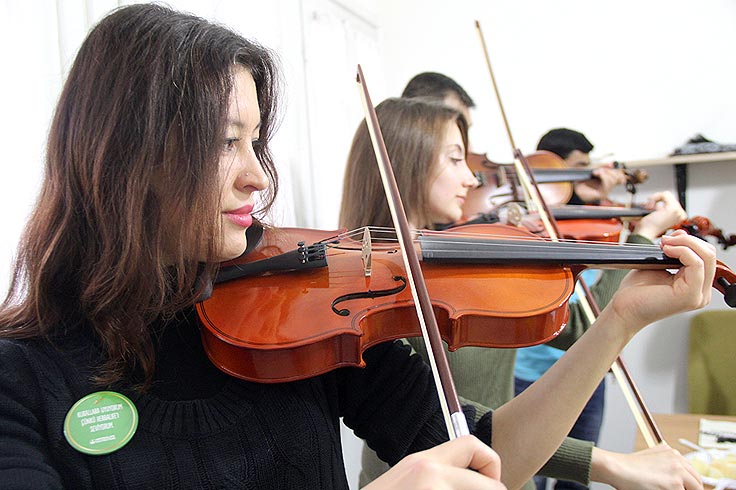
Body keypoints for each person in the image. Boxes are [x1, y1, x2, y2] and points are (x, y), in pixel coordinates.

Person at [0, 6, 710, 490]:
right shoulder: (21, 380)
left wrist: (620, 322)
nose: (258, 175)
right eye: (225, 143)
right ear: (124, 156)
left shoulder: (288, 313)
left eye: (256, 141)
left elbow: (497, 456)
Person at [344, 96, 705, 490]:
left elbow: (579, 329)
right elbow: (446, 425)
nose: (472, 178)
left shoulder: (466, 256)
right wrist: (604, 463)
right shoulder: (374, 290)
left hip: (508, 470)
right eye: (454, 159)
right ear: (406, 164)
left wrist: (640, 241)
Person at [514, 128, 688, 490]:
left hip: (589, 371)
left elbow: (602, 283)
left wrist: (601, 203)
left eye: (590, 168)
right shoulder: (525, 221)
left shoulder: (597, 217)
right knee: (522, 474)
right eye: (578, 169)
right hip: (530, 376)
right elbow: (583, 319)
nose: (589, 175)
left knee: (577, 482)